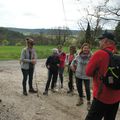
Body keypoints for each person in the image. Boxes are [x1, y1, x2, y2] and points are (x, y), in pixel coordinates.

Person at [85, 32, 120, 120]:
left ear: (106, 41)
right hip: (116, 97)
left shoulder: (99, 53)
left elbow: (88, 72)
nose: (99, 42)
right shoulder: (117, 54)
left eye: (101, 40)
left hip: (101, 96)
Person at [71, 43, 92, 110]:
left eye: (87, 48)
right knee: (79, 87)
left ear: (89, 49)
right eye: (84, 48)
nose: (86, 49)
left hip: (87, 75)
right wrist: (72, 67)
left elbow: (95, 64)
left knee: (87, 89)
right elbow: (73, 62)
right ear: (82, 49)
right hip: (78, 74)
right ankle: (81, 99)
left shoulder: (91, 56)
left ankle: (88, 102)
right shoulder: (78, 56)